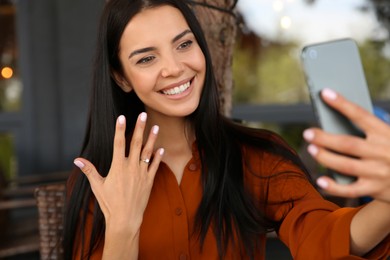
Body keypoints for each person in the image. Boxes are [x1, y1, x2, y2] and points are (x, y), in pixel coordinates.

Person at [63, 0, 390, 259]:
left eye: (183, 44)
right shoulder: (99, 179)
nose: (175, 68)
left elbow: (325, 237)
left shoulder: (257, 157)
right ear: (121, 77)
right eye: (146, 59)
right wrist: (123, 228)